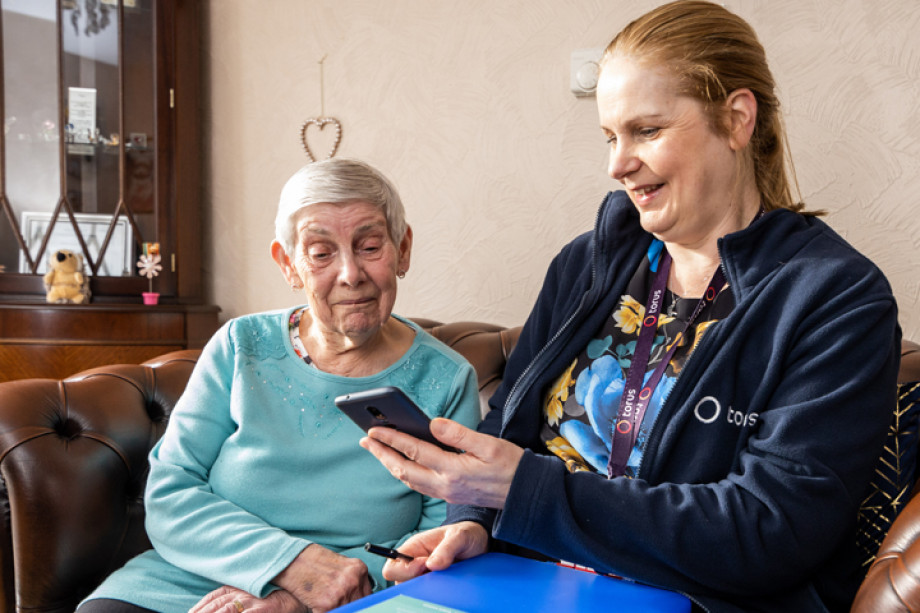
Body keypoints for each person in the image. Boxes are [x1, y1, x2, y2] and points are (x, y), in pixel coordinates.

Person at [359, 2, 901, 612]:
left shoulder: (837, 298)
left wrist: (528, 493)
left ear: (737, 119)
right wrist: (475, 523)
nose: (617, 164)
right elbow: (507, 423)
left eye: (646, 131)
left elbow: (768, 531)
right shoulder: (588, 263)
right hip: (526, 587)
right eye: (611, 136)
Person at [77, 158, 481, 613]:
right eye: (321, 253)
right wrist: (289, 566)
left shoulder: (446, 379)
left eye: (369, 246)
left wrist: (299, 597)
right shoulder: (241, 345)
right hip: (197, 575)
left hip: (356, 590)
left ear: (402, 249)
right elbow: (172, 491)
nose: (350, 273)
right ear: (288, 264)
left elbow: (437, 540)